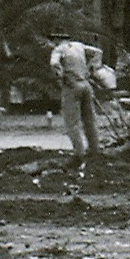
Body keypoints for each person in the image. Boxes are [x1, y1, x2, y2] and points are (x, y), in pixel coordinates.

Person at [48, 33, 100, 167]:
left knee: (72, 122)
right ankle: (95, 150)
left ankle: (79, 154)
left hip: (72, 85)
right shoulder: (79, 46)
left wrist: (61, 76)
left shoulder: (59, 49)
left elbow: (54, 63)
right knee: (89, 119)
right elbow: (98, 52)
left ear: (56, 39)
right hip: (85, 83)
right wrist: (90, 68)